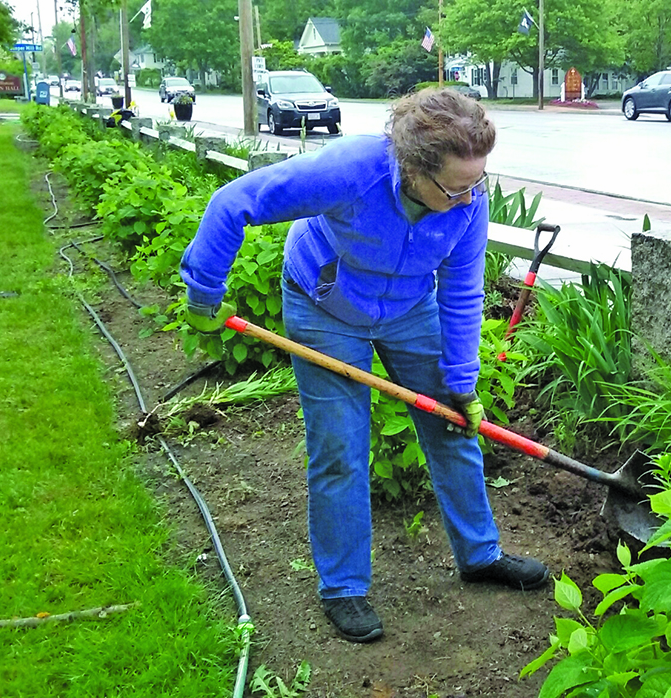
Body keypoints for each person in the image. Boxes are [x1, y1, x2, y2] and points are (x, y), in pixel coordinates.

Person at [179, 89, 549, 644]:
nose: (470, 198)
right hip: (325, 303)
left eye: (478, 182)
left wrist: (461, 380)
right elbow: (236, 202)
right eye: (456, 187)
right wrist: (204, 292)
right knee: (340, 449)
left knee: (453, 427)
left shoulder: (468, 201)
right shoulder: (351, 169)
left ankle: (479, 555)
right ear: (412, 167)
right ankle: (344, 587)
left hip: (408, 306)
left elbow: (463, 290)